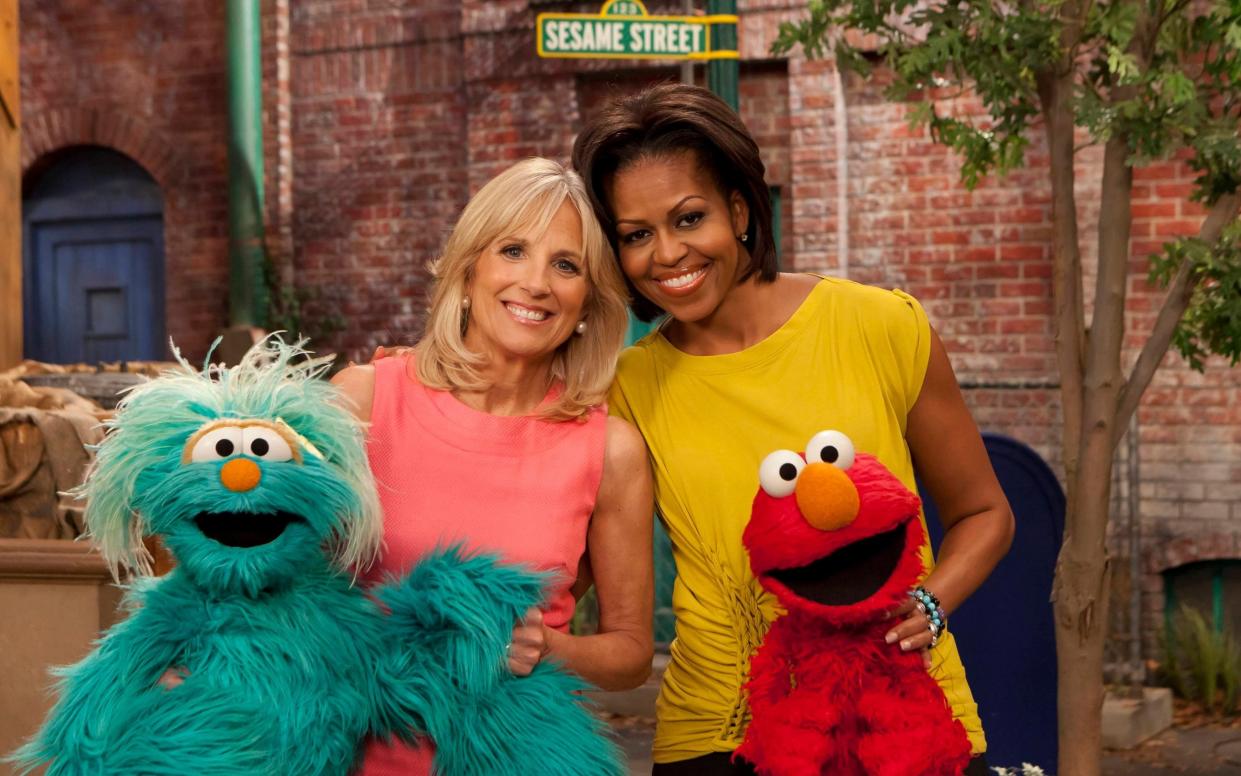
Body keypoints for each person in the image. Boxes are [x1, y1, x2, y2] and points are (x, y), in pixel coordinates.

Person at [571, 83, 1015, 775]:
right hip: (719, 739)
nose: (666, 254)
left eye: (688, 218)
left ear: (740, 209)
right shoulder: (627, 387)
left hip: (904, 719)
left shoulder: (880, 327)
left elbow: (985, 513)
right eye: (635, 235)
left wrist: (931, 603)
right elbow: (576, 571)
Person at [332, 157, 655, 774]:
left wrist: (550, 647)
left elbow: (632, 654)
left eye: (566, 265)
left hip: (516, 755)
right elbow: (278, 574)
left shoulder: (610, 450)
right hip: (351, 752)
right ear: (470, 266)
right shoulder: (365, 400)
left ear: (587, 299)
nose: (536, 283)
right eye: (513, 250)